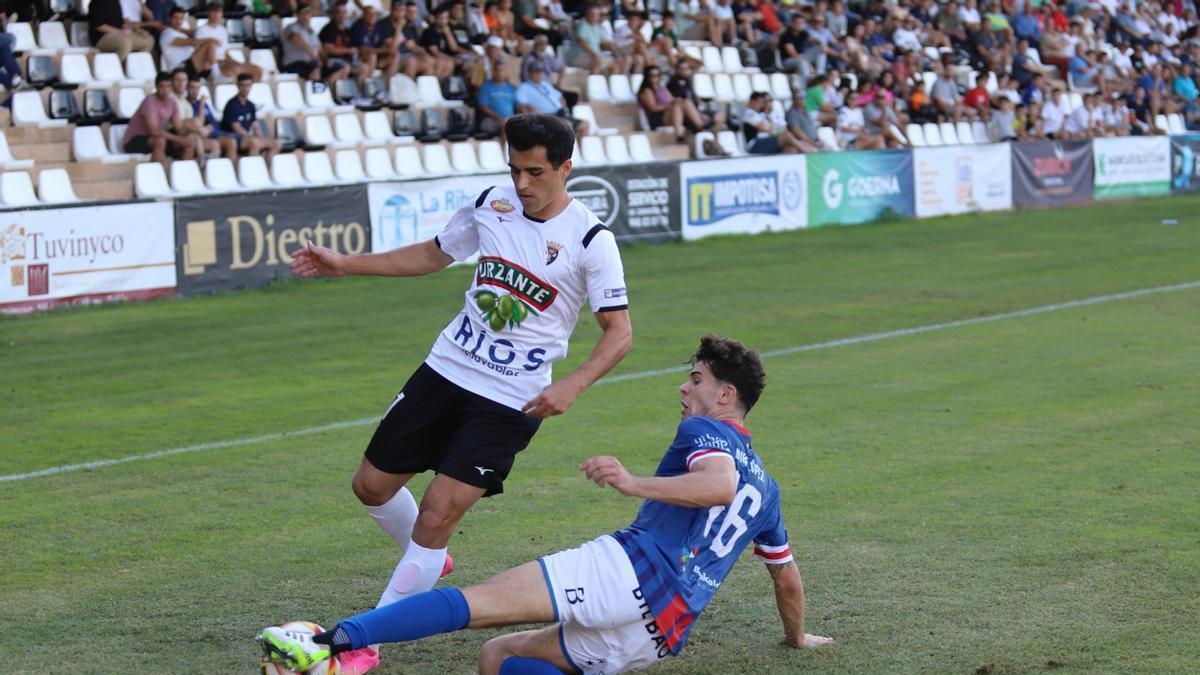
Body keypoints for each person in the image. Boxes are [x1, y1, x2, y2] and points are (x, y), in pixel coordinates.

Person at [259, 333, 832, 675]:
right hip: (659, 635)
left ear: (725, 396)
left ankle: (330, 644)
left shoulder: (708, 435)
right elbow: (786, 579)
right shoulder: (772, 491)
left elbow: (718, 485)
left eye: (697, 379)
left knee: (474, 603)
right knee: (499, 657)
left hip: (630, 574)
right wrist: (796, 639)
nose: (685, 388)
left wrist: (633, 483)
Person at [285, 114, 633, 674]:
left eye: (536, 171)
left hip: (512, 398)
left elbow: (620, 332)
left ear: (565, 168)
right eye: (515, 169)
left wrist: (573, 383)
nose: (522, 183)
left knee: (437, 510)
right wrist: (344, 265)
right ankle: (429, 561)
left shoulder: (591, 239)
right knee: (370, 487)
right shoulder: (490, 203)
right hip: (445, 370)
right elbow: (431, 255)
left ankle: (366, 644)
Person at [122, 71, 202, 162]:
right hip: (134, 140)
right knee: (160, 141)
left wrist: (190, 134)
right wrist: (180, 139)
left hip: (155, 137)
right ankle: (156, 174)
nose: (165, 90)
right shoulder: (150, 101)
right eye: (162, 86)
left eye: (168, 86)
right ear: (156, 87)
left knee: (189, 139)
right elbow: (154, 131)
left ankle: (182, 173)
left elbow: (179, 127)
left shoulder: (172, 102)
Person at [196, 3, 262, 82]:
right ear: (209, 13)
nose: (217, 15)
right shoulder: (201, 31)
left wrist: (233, 61)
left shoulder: (223, 30)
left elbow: (225, 52)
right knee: (233, 72)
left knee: (257, 70)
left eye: (219, 12)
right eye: (214, 12)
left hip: (225, 62)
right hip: (211, 66)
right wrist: (220, 62)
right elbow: (200, 56)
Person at [221, 73, 282, 159]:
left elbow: (255, 125)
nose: (246, 89)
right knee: (255, 143)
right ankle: (252, 169)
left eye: (248, 85)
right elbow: (236, 127)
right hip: (234, 138)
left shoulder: (250, 105)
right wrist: (252, 137)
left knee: (276, 143)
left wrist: (260, 137)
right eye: (243, 85)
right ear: (238, 86)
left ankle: (268, 168)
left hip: (247, 138)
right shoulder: (232, 104)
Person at [186, 76, 239, 159]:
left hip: (211, 132)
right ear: (187, 88)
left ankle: (232, 169)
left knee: (233, 140)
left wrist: (209, 127)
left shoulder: (204, 104)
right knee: (226, 142)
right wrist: (202, 105)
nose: (195, 91)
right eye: (192, 87)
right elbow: (198, 123)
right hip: (200, 136)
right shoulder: (186, 105)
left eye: (197, 88)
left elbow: (214, 122)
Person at [740, 91, 808, 154]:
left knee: (791, 149)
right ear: (752, 101)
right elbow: (765, 128)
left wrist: (773, 128)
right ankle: (806, 149)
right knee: (786, 135)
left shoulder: (759, 114)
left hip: (766, 141)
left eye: (762, 103)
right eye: (759, 102)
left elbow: (772, 128)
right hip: (754, 145)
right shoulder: (748, 113)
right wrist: (777, 129)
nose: (762, 105)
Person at [160, 6, 218, 80]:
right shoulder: (167, 34)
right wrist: (208, 39)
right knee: (210, 44)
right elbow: (190, 42)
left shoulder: (180, 32)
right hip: (180, 68)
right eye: (175, 18)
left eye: (181, 18)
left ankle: (216, 76)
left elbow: (194, 33)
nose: (178, 21)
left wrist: (184, 30)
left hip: (192, 65)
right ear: (169, 18)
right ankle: (216, 73)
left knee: (232, 68)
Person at [88, 0, 154, 60]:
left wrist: (138, 30)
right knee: (125, 43)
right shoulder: (97, 2)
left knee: (148, 40)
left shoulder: (116, 2)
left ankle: (135, 67)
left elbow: (123, 22)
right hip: (101, 37)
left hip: (120, 35)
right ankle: (113, 68)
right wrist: (119, 31)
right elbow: (99, 26)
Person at [477, 58, 518, 136]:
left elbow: (517, 104)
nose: (500, 73)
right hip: (490, 119)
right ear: (494, 72)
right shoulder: (485, 87)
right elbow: (483, 107)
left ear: (506, 72)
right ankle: (505, 147)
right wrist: (498, 117)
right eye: (498, 70)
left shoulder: (510, 88)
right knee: (505, 125)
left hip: (509, 118)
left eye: (503, 70)